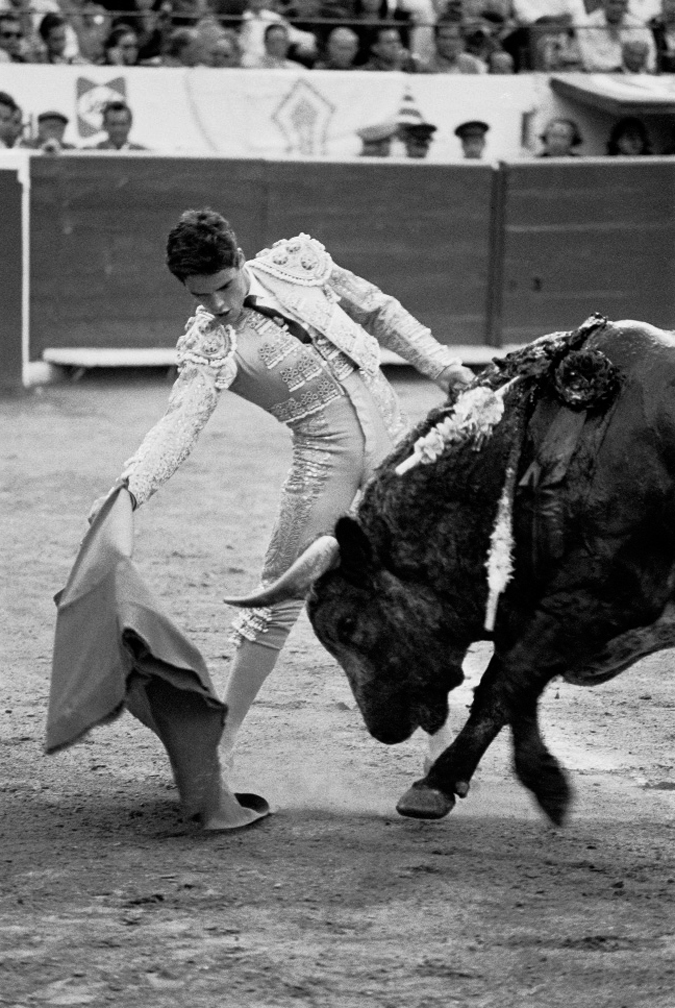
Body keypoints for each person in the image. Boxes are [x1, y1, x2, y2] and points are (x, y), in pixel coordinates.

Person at [87, 210, 474, 826]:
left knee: (429, 593)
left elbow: (377, 309)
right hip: (323, 472)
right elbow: (179, 426)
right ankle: (221, 745)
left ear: (240, 259)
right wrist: (131, 488)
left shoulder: (298, 266)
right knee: (271, 606)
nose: (216, 304)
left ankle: (440, 745)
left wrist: (443, 367)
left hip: (400, 461)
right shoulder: (212, 345)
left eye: (224, 286)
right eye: (200, 295)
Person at [578, 0, 656, 71]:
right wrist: (619, 68)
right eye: (613, 2)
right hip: (598, 77)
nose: (617, 8)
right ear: (603, 2)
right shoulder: (586, 25)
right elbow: (589, 62)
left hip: (634, 77)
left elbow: (650, 61)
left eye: (622, 3)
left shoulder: (639, 26)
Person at [420, 17, 488, 72]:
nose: (448, 43)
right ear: (435, 39)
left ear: (462, 40)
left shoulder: (471, 64)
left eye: (453, 38)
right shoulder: (423, 66)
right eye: (444, 38)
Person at [242, 20, 306, 66]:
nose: (278, 45)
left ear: (287, 43)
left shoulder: (296, 69)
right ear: (265, 43)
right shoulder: (251, 66)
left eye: (282, 41)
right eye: (274, 41)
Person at [650, 0, 675, 70]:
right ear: (662, 3)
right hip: (660, 73)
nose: (673, 6)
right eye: (670, 1)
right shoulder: (653, 26)